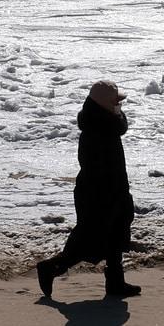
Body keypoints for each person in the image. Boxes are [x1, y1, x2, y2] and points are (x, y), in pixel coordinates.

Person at [36, 80, 141, 298]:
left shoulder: (106, 123)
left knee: (115, 235)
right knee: (90, 241)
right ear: (104, 103)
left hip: (112, 189)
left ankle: (115, 284)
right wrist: (110, 196)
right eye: (116, 101)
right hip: (98, 193)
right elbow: (97, 169)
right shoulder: (98, 128)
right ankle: (51, 267)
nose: (120, 105)